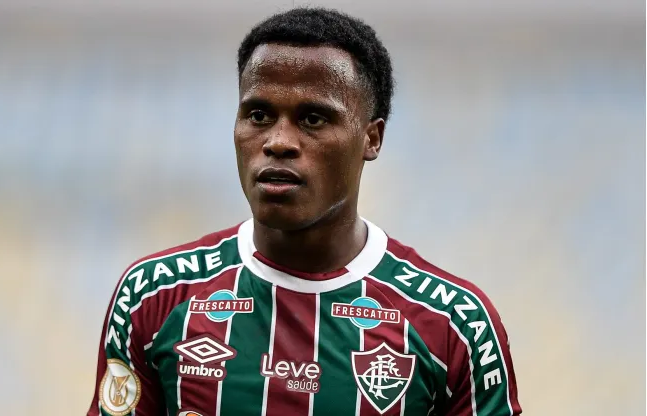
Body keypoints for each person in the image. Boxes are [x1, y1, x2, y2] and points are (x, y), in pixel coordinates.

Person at [88, 7, 522, 416]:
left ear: (371, 139)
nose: (278, 141)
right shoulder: (154, 296)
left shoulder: (454, 324)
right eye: (258, 114)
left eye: (312, 119)